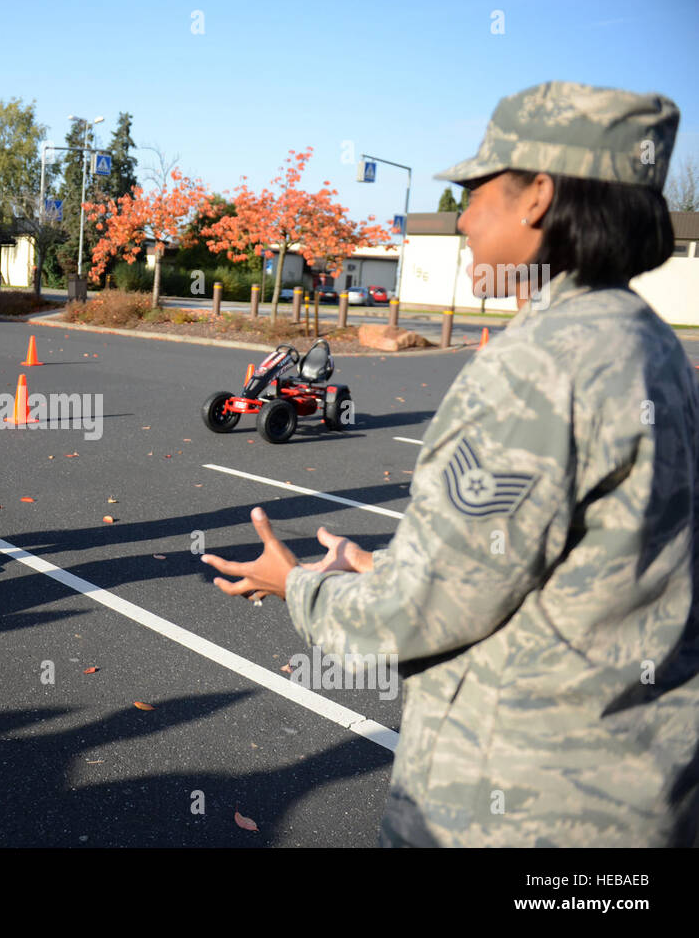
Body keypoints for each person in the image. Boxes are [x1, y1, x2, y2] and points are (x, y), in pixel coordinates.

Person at [203, 81, 699, 846]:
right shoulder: (654, 352)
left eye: (474, 191)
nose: (462, 216)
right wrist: (400, 568)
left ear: (538, 196)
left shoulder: (538, 369)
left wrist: (298, 585)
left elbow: (415, 615)